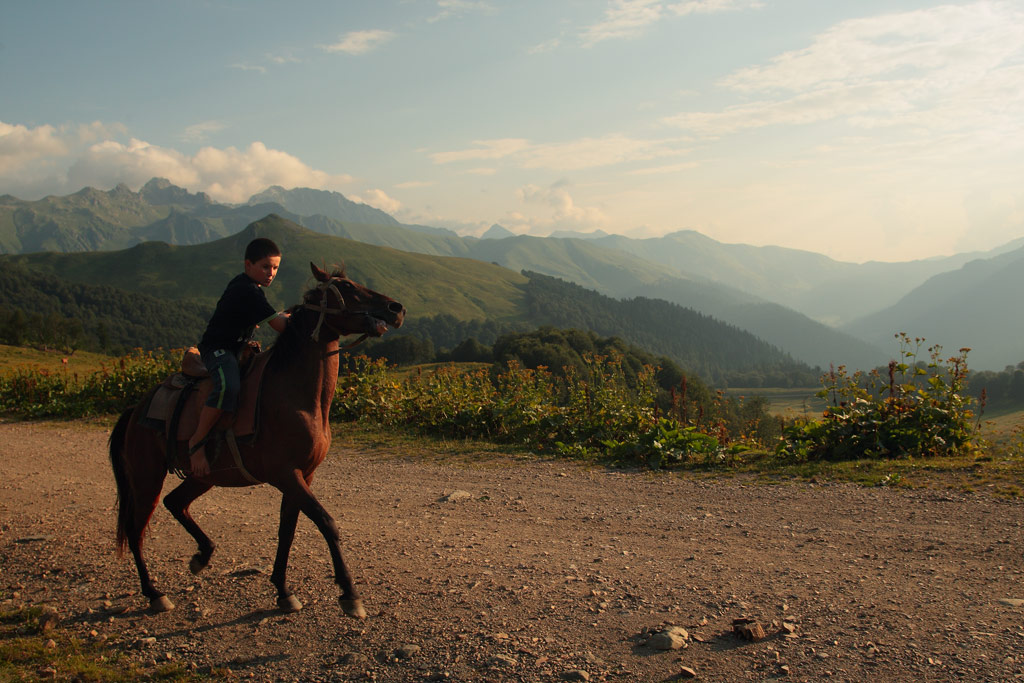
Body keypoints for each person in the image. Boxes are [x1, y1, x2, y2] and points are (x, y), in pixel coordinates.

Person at [189, 237, 290, 476]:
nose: (271, 273)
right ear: (248, 265)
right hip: (218, 349)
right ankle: (196, 442)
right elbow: (281, 326)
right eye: (265, 266)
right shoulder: (247, 291)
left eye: (275, 267)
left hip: (236, 348)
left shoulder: (250, 287)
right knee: (228, 387)